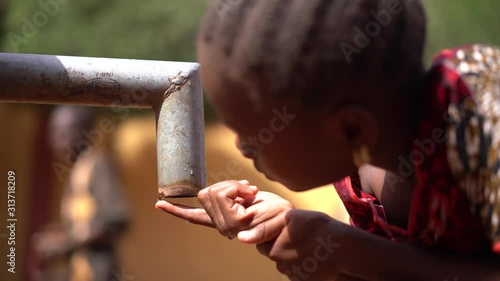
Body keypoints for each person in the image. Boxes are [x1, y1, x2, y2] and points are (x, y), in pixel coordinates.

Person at [156, 0, 500, 280]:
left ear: (354, 129)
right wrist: (297, 234)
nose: (241, 147)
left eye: (257, 135)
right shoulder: (358, 164)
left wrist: (349, 250)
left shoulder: (480, 119)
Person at [33, 106, 129, 281]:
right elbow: (83, 226)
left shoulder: (98, 165)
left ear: (86, 132)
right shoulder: (77, 170)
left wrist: (66, 243)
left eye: (65, 132)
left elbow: (116, 220)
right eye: (54, 132)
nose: (57, 140)